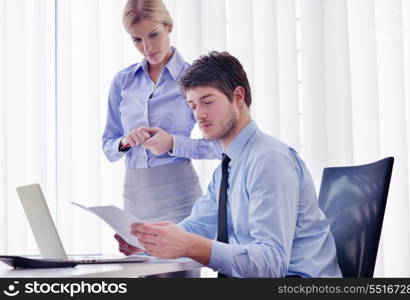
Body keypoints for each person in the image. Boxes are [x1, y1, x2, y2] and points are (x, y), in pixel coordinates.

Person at [129, 51, 342, 278]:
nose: (199, 115)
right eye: (192, 106)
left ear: (238, 97)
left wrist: (191, 245)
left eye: (208, 102)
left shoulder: (268, 160)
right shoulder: (228, 166)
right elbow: (198, 226)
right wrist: (150, 241)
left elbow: (271, 263)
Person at [101, 0, 221, 265]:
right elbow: (108, 146)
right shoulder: (123, 81)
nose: (147, 47)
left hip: (179, 198)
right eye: (137, 40)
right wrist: (124, 142)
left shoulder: (194, 78)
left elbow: (221, 147)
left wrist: (173, 144)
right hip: (134, 198)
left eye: (153, 34)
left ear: (169, 26)